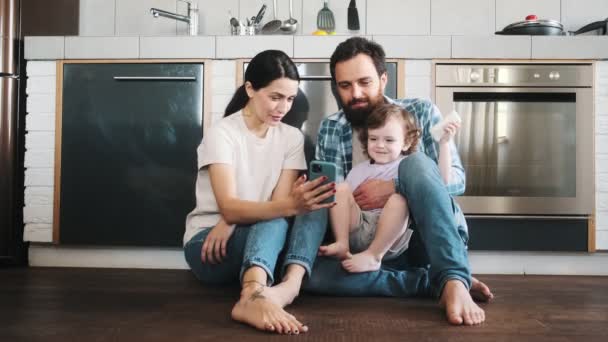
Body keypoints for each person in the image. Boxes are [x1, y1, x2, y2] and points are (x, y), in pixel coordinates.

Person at [298, 37, 494, 326]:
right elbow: (334, 199)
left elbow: (456, 182)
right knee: (308, 278)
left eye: (365, 82)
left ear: (383, 78)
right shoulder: (331, 127)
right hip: (364, 246)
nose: (356, 93)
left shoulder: (421, 112)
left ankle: (452, 276)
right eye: (345, 86)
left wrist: (394, 186)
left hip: (421, 239)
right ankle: (427, 283)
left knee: (415, 163)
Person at [183, 50, 336, 335]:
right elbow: (231, 206)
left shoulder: (290, 137)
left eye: (290, 99)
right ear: (250, 89)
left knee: (312, 206)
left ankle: (281, 287)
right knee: (285, 219)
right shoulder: (223, 134)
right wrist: (230, 217)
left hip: (260, 236)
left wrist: (239, 217)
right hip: (209, 243)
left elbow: (278, 206)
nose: (283, 108)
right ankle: (253, 295)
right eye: (275, 97)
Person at [319, 103, 459, 274]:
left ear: (406, 142)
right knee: (340, 189)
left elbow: (440, 183)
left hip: (392, 238)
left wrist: (444, 143)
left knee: (399, 199)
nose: (379, 145)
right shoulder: (359, 170)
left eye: (389, 140)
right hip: (360, 228)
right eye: (373, 139)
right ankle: (342, 243)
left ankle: (373, 256)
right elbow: (346, 205)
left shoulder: (409, 166)